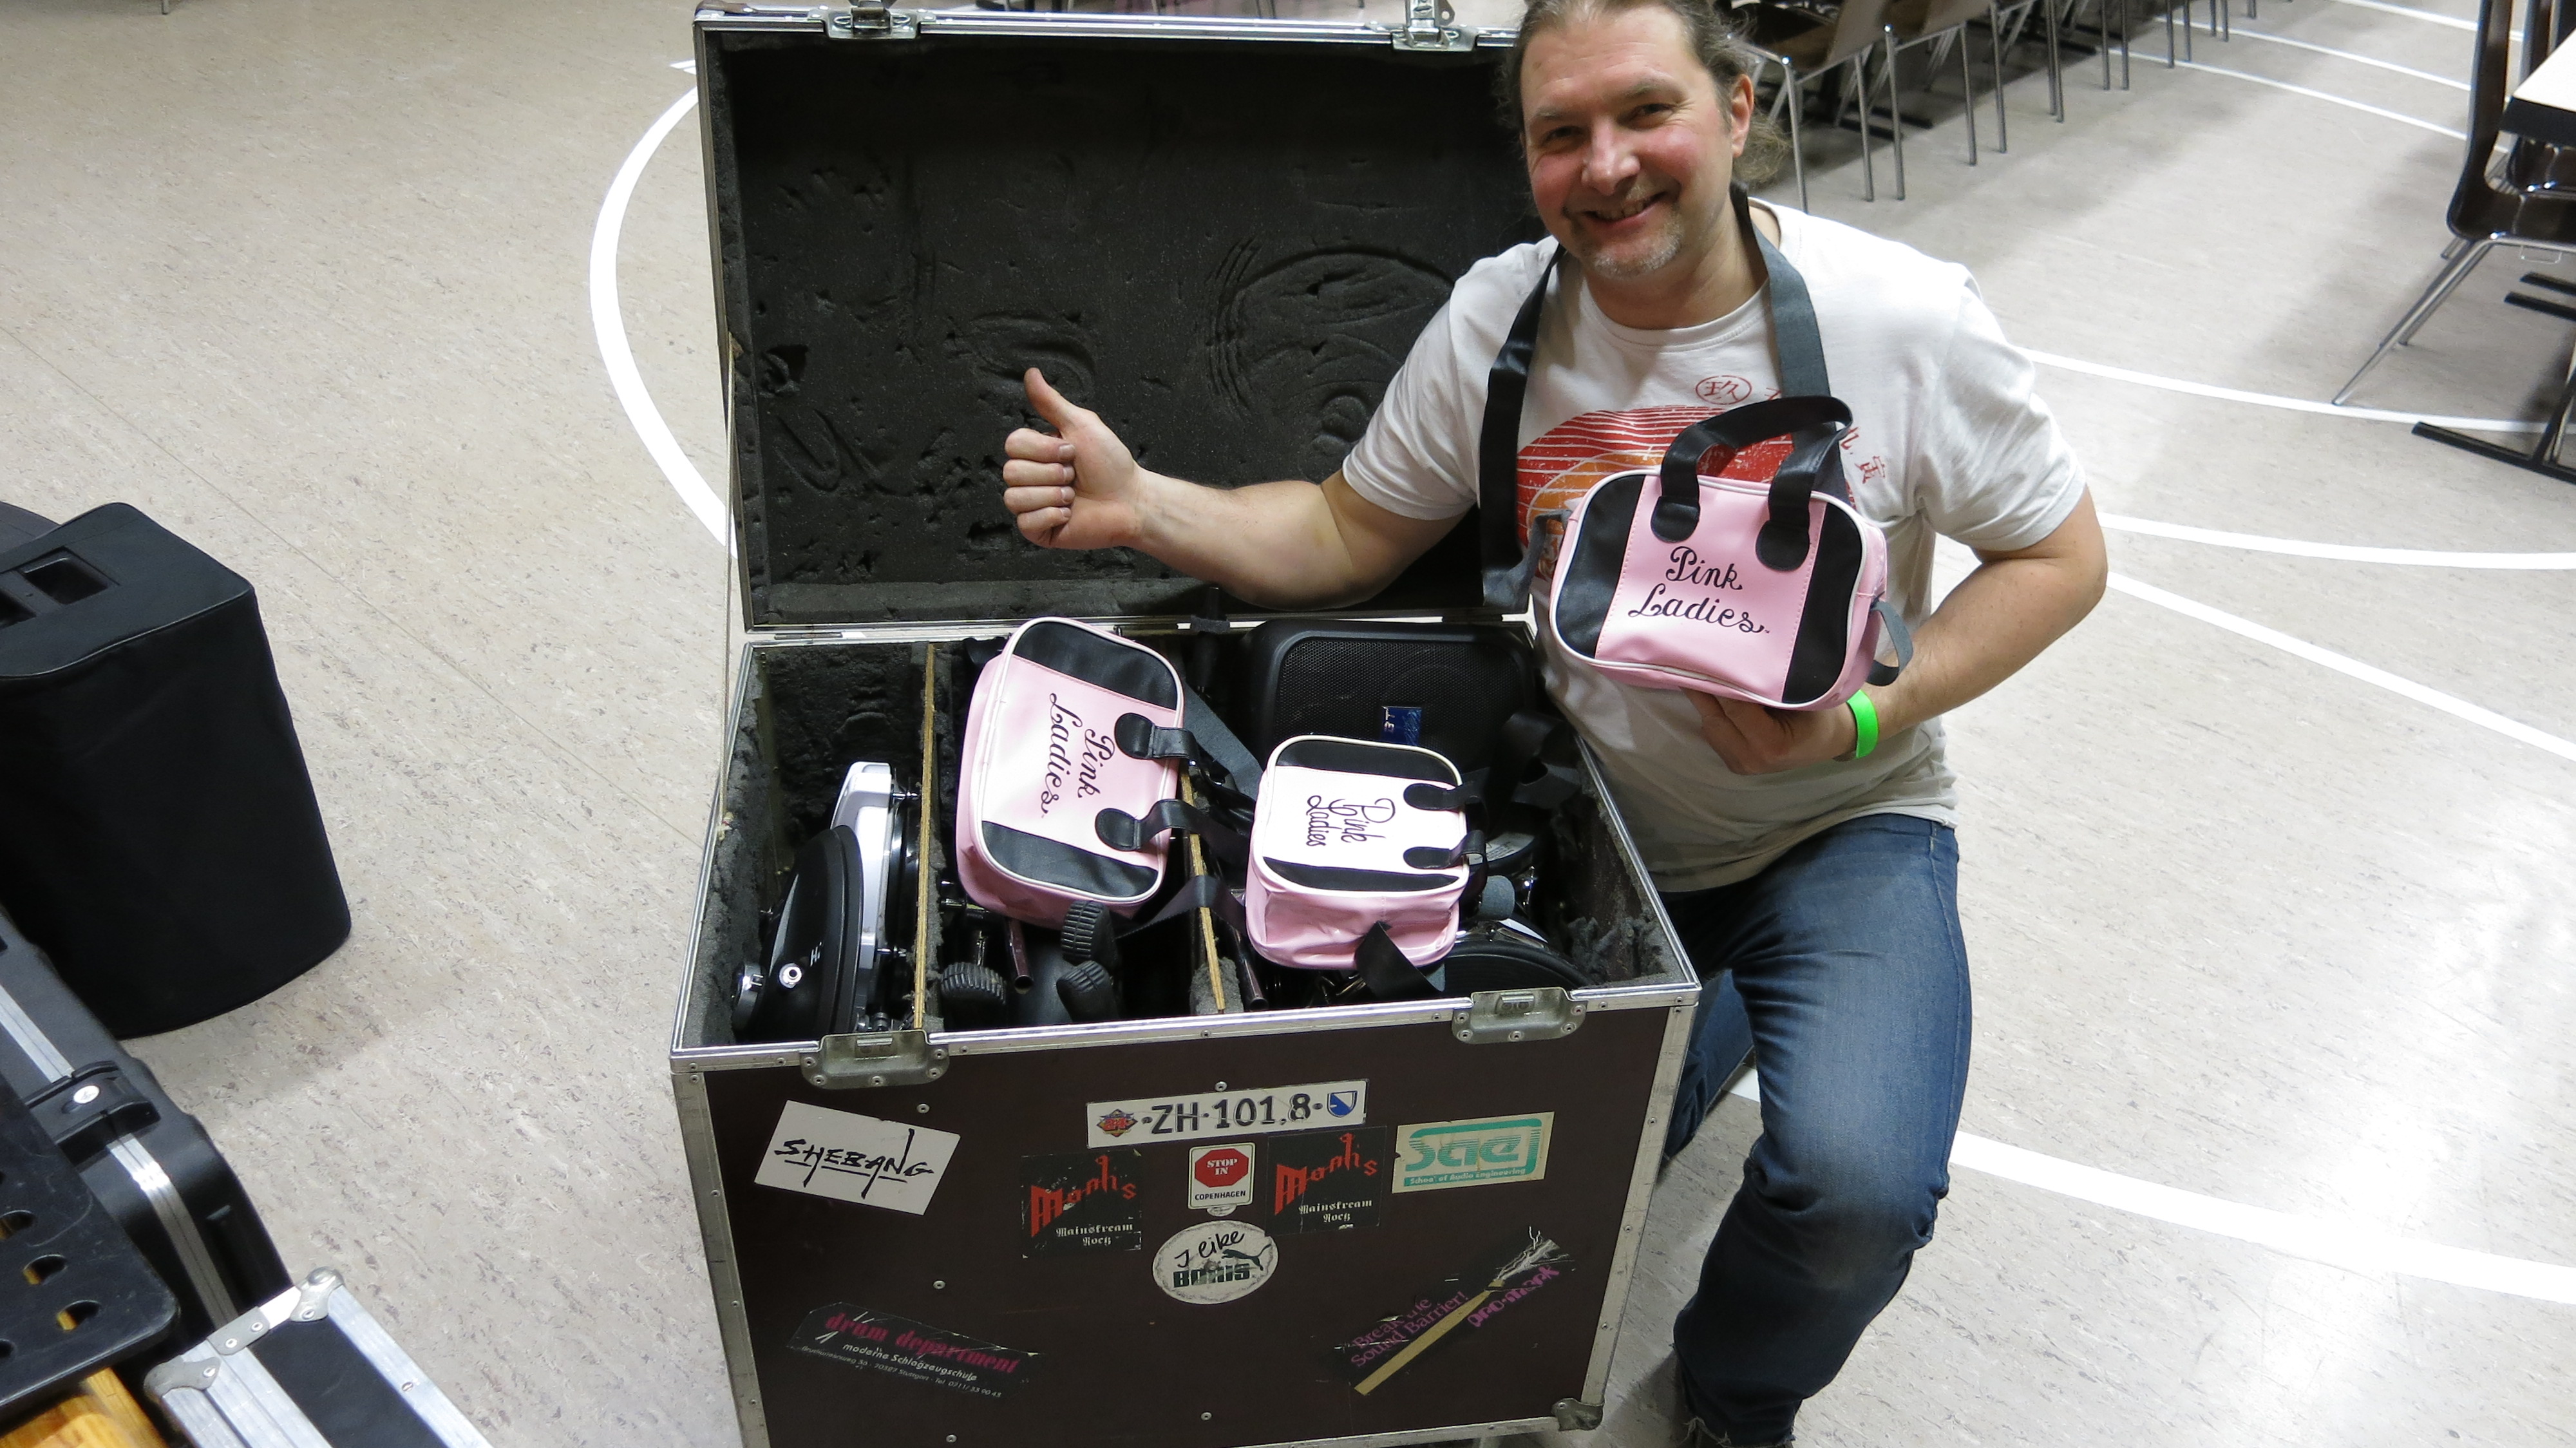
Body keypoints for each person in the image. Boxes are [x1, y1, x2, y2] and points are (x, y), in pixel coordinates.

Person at [997, 0, 2107, 1439]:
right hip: (1589, 838)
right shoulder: (1496, 320)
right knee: (1525, 1173)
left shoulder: (1904, 320)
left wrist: (1853, 726)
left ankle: (1731, 1397)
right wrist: (1147, 503)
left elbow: (2060, 559)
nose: (1607, 165)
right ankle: (1699, 1024)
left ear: (1738, 110)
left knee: (1852, 1192)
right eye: (1559, 132)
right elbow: (1342, 531)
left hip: (1844, 825)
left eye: (1646, 111)